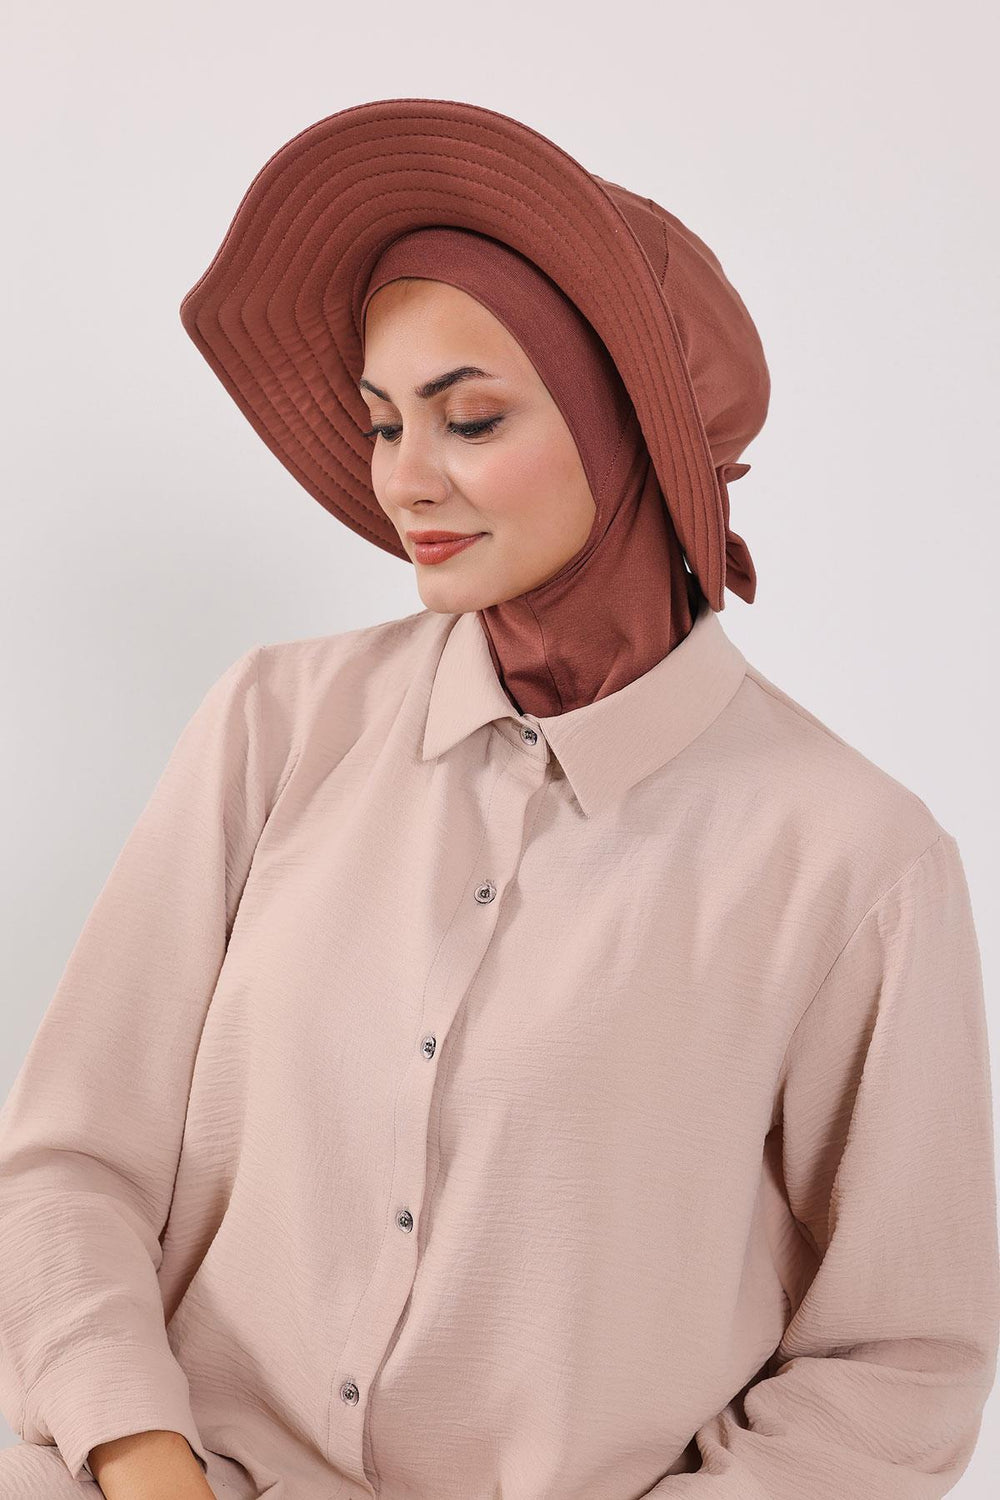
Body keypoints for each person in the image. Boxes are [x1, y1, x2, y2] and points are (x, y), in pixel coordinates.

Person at [0, 98, 996, 1500]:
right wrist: (142, 1457)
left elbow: (899, 1365)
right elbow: (69, 1164)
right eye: (382, 422)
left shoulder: (852, 863)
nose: (404, 480)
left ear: (628, 427)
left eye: (469, 419)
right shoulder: (272, 727)